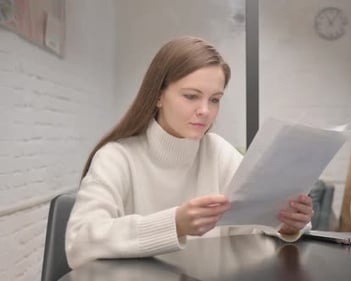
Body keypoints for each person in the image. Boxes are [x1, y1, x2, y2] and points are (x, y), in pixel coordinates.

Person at [65, 36, 313, 269]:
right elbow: (79, 243)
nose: (205, 110)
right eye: (191, 96)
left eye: (214, 99)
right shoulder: (116, 158)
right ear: (159, 96)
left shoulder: (219, 153)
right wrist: (175, 224)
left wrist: (287, 224)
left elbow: (250, 232)